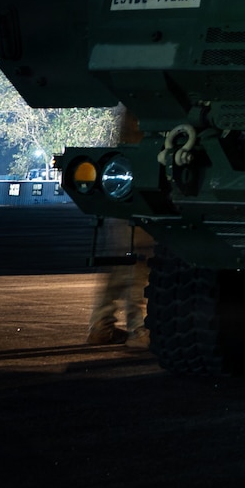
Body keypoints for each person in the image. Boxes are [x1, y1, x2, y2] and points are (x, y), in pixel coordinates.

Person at [87, 105, 149, 345]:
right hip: (141, 201)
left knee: (119, 268)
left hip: (122, 200)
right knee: (139, 266)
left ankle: (101, 325)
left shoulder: (128, 111)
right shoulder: (145, 115)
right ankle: (139, 327)